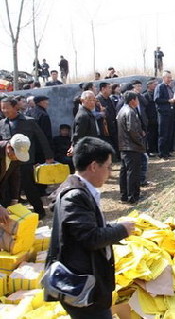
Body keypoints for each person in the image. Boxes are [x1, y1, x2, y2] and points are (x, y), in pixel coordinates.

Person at [46, 136, 134, 318]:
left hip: (89, 281)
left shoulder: (82, 190)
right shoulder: (74, 196)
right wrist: (121, 230)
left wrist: (112, 227)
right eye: (108, 167)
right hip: (81, 284)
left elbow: (86, 228)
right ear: (94, 166)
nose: (110, 173)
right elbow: (91, 238)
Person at [0, 97, 54, 218]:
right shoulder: (2, 123)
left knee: (29, 188)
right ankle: (11, 214)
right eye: (2, 108)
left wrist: (49, 156)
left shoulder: (29, 121)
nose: (4, 110)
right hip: (7, 162)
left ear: (15, 107)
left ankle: (39, 211)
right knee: (8, 190)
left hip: (25, 161)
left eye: (6, 107)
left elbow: (42, 139)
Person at [116, 91, 146, 204]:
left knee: (125, 172)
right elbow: (132, 130)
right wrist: (140, 142)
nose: (138, 102)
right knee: (133, 172)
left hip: (124, 146)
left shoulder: (122, 110)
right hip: (131, 147)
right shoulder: (130, 112)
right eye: (137, 99)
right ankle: (133, 197)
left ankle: (124, 195)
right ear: (132, 100)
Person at [0, 134, 31, 223]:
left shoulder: (15, 159)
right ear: (9, 148)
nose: (17, 158)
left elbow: (15, 177)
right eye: (16, 155)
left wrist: (14, 199)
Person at [154, 71, 175, 159]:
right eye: (168, 78)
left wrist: (174, 101)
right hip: (163, 113)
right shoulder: (160, 87)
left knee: (169, 133)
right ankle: (161, 153)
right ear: (164, 78)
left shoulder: (169, 87)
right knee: (163, 134)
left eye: (170, 78)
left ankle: (167, 151)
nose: (170, 79)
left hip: (170, 112)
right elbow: (157, 99)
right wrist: (168, 101)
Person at [70, 91, 99, 156]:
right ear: (82, 100)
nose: (92, 102)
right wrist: (74, 146)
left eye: (94, 100)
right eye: (89, 100)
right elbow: (78, 134)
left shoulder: (88, 113)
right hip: (86, 149)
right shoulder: (83, 115)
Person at [143, 79, 158, 156]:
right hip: (149, 118)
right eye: (154, 84)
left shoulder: (156, 94)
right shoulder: (145, 95)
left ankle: (155, 149)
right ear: (149, 85)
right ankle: (149, 150)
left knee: (156, 134)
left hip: (156, 117)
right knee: (150, 135)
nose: (156, 86)